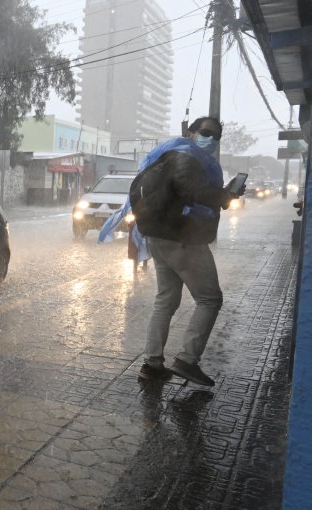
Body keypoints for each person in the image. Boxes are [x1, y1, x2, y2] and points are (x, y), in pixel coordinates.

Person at [135, 117, 245, 386]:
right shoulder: (187, 155)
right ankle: (187, 360)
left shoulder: (168, 152)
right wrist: (223, 195)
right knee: (210, 299)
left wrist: (223, 196)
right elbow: (189, 188)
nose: (211, 139)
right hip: (181, 237)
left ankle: (152, 364)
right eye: (205, 132)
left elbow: (189, 193)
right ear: (190, 132)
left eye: (216, 136)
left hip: (158, 235)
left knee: (166, 299)